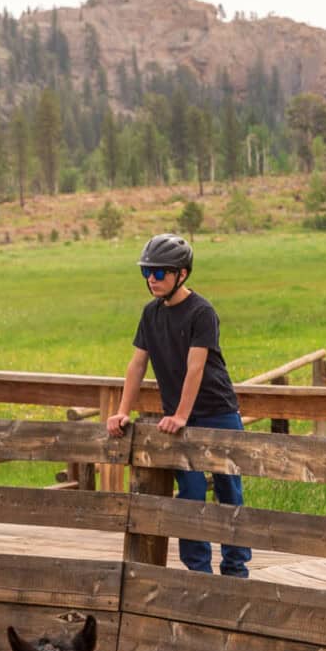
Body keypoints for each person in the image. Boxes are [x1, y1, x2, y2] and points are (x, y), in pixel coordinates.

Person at [106, 233, 250, 577]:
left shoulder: (202, 312)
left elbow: (196, 367)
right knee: (191, 493)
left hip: (217, 411)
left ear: (181, 274)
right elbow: (137, 364)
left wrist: (181, 415)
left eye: (159, 273)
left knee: (229, 488)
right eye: (146, 273)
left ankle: (235, 570)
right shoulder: (150, 314)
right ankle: (198, 572)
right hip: (179, 417)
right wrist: (123, 410)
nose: (152, 280)